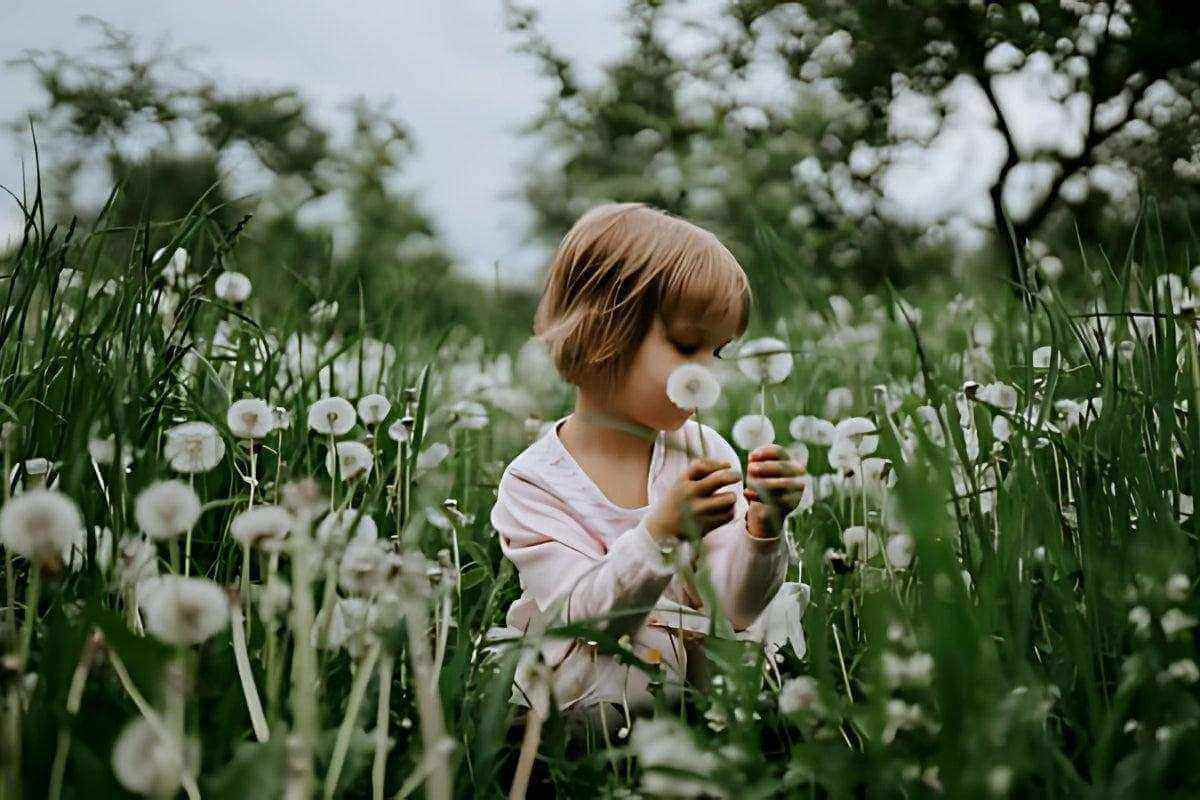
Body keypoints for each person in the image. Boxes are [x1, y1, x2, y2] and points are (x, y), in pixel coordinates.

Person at [487, 202, 808, 732]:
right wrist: (659, 535)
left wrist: (763, 529)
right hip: (600, 684)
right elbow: (587, 624)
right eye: (686, 345)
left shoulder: (705, 451)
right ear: (600, 331)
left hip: (702, 680)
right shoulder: (534, 484)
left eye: (716, 353)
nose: (706, 372)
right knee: (599, 693)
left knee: (754, 673)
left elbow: (736, 609)